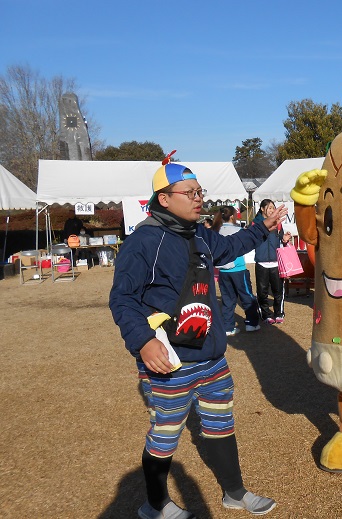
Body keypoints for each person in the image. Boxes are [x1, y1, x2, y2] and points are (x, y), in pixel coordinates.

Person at [109, 162, 286, 518]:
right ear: (164, 198)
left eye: (200, 192)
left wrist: (261, 228)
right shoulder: (143, 241)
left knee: (221, 424)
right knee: (166, 433)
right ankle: (155, 504)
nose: (198, 199)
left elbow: (230, 246)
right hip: (170, 363)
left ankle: (234, 493)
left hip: (212, 357)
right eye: (190, 193)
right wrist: (143, 341)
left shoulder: (199, 234)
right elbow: (122, 298)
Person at [212, 206, 261, 336]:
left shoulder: (216, 231)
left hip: (223, 271)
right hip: (238, 269)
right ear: (233, 216)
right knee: (247, 296)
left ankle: (228, 327)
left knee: (227, 300)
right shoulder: (238, 230)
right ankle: (251, 323)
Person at [252, 199, 291, 324]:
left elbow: (281, 240)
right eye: (269, 208)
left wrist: (285, 239)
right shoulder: (255, 224)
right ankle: (266, 315)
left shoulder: (278, 224)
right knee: (262, 291)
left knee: (278, 290)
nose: (272, 210)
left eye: (273, 208)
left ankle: (279, 313)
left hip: (276, 262)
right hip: (261, 262)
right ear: (262, 209)